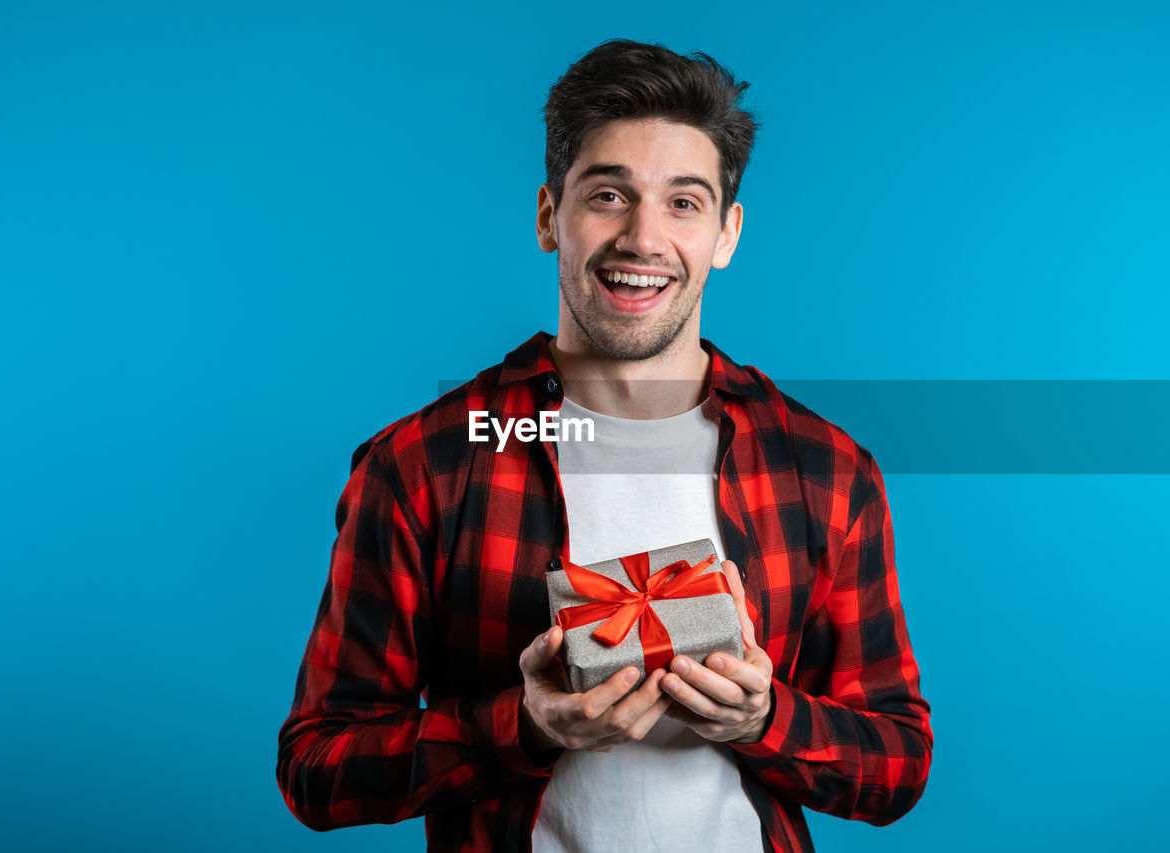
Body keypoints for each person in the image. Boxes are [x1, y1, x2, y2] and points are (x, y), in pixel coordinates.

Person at [277, 39, 932, 852]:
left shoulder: (824, 469)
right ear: (551, 215)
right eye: (609, 195)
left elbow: (898, 764)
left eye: (684, 203)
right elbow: (317, 766)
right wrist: (520, 726)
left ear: (726, 233)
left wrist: (768, 717)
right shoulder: (425, 463)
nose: (643, 238)